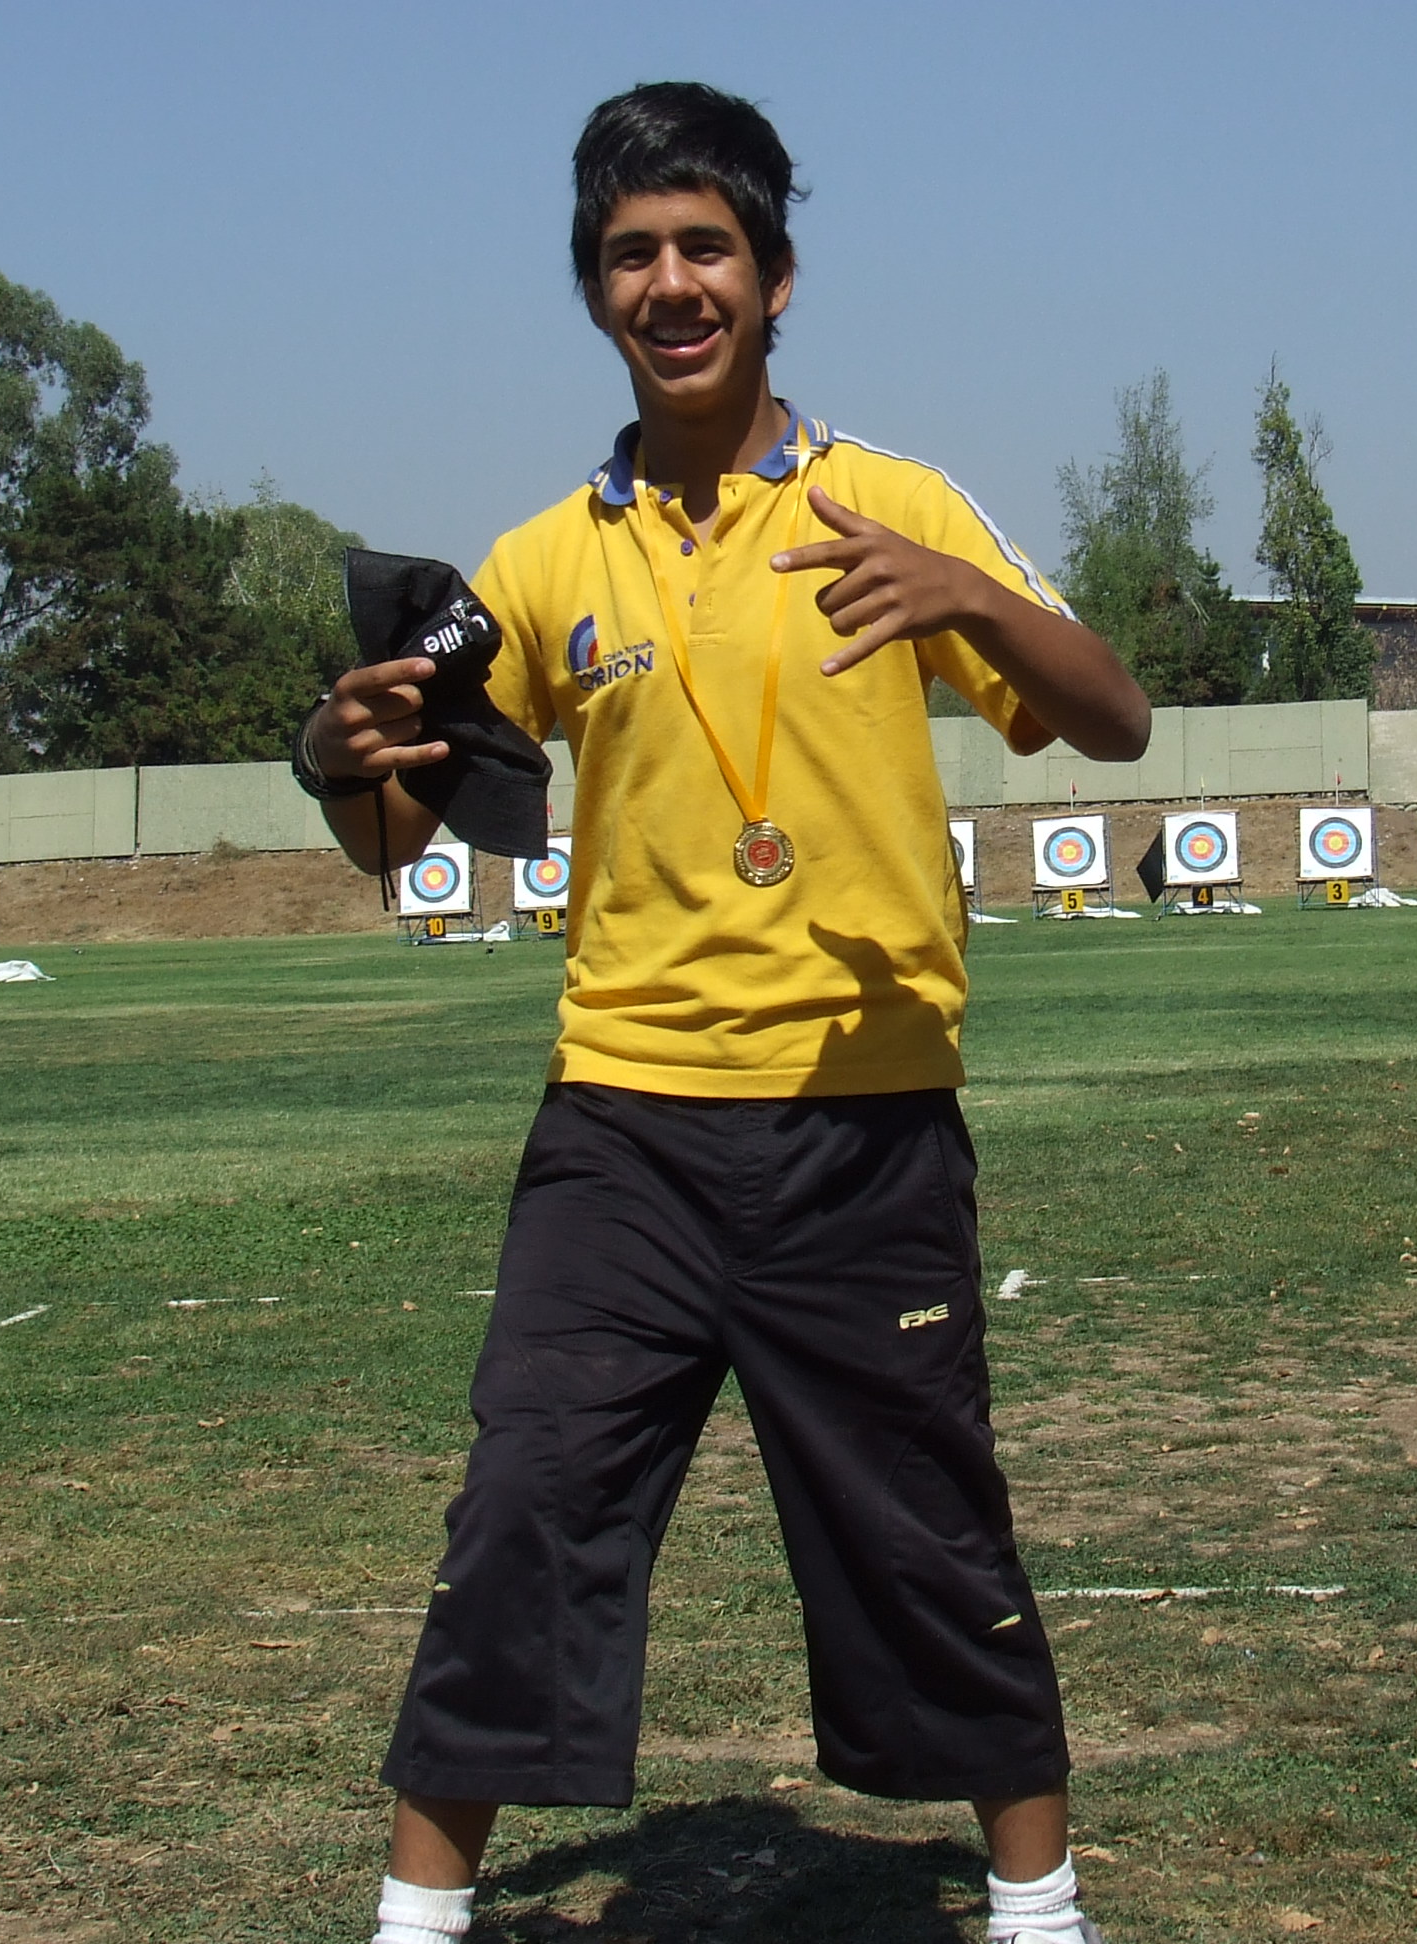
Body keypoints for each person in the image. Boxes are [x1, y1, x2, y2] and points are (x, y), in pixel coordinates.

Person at [300, 81, 1150, 1944]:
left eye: (707, 247)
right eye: (631, 255)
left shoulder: (895, 505)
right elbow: (395, 831)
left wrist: (966, 597)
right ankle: (417, 1919)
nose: (671, 285)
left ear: (775, 275)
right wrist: (347, 755)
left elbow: (1114, 716)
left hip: (866, 1121)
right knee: (525, 1500)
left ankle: (1039, 1907)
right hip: (623, 1128)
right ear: (594, 288)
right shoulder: (541, 564)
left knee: (927, 1521)